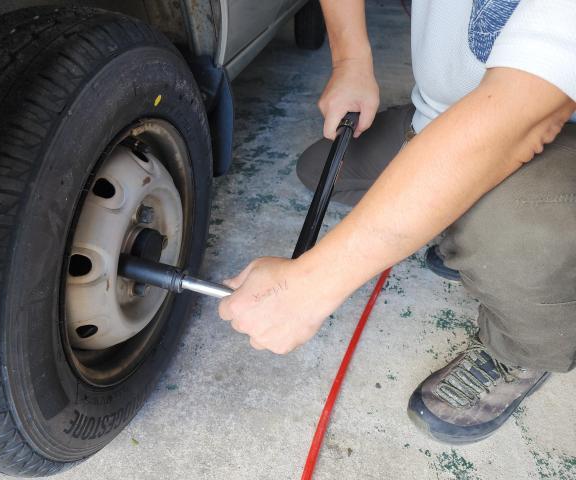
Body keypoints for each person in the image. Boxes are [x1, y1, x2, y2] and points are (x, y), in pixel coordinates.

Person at [218, 0, 576, 444]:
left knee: (513, 233)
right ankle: (462, 232)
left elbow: (519, 121)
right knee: (323, 168)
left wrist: (311, 286)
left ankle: (521, 349)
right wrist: (351, 60)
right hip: (444, 114)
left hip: (547, 130)